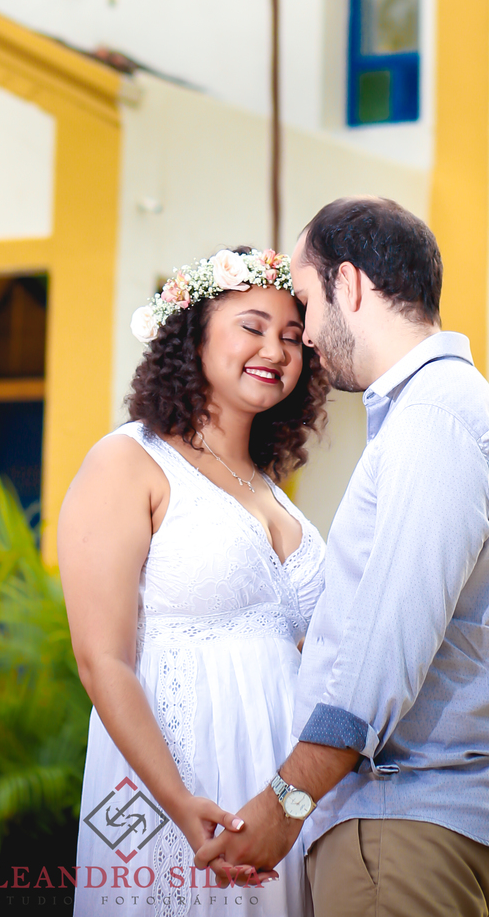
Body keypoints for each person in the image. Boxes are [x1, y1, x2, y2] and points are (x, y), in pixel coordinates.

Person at [198, 198, 489, 917]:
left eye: (309, 301)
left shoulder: (432, 421)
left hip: (401, 829)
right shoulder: (451, 412)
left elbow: (386, 644)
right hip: (430, 829)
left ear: (349, 286)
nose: (307, 336)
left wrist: (288, 799)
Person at [58, 247, 330, 917]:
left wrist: (294, 799)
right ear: (192, 336)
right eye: (254, 326)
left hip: (279, 795)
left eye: (294, 337)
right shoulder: (129, 462)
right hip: (178, 781)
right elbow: (102, 660)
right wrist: (177, 800)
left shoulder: (272, 489)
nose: (277, 348)